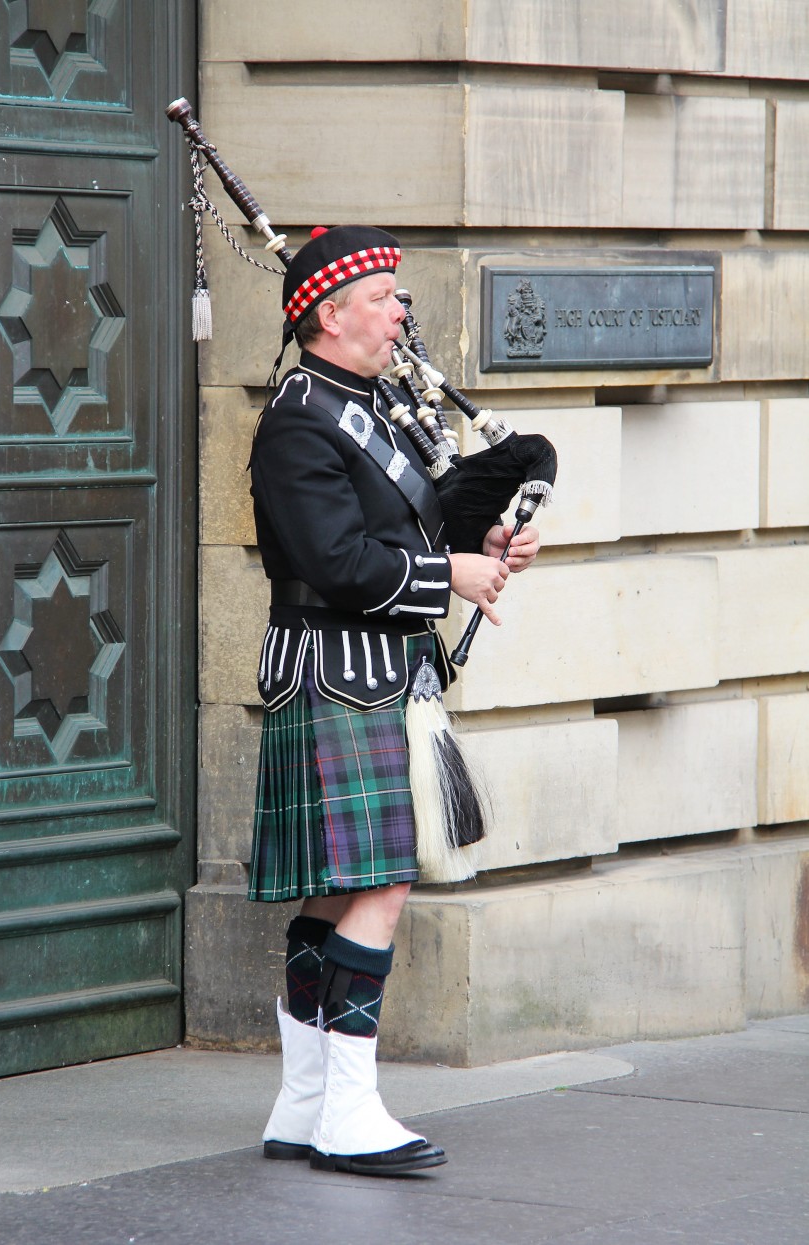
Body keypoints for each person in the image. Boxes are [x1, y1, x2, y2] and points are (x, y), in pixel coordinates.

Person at [247, 225, 540, 1177]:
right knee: (383, 881)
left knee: (340, 890)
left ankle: (305, 1102)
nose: (400, 310)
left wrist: (485, 545)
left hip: (381, 669)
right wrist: (445, 573)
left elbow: (416, 519)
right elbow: (334, 561)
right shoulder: (299, 418)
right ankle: (351, 1107)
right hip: (337, 664)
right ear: (329, 315)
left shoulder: (370, 403)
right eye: (382, 296)